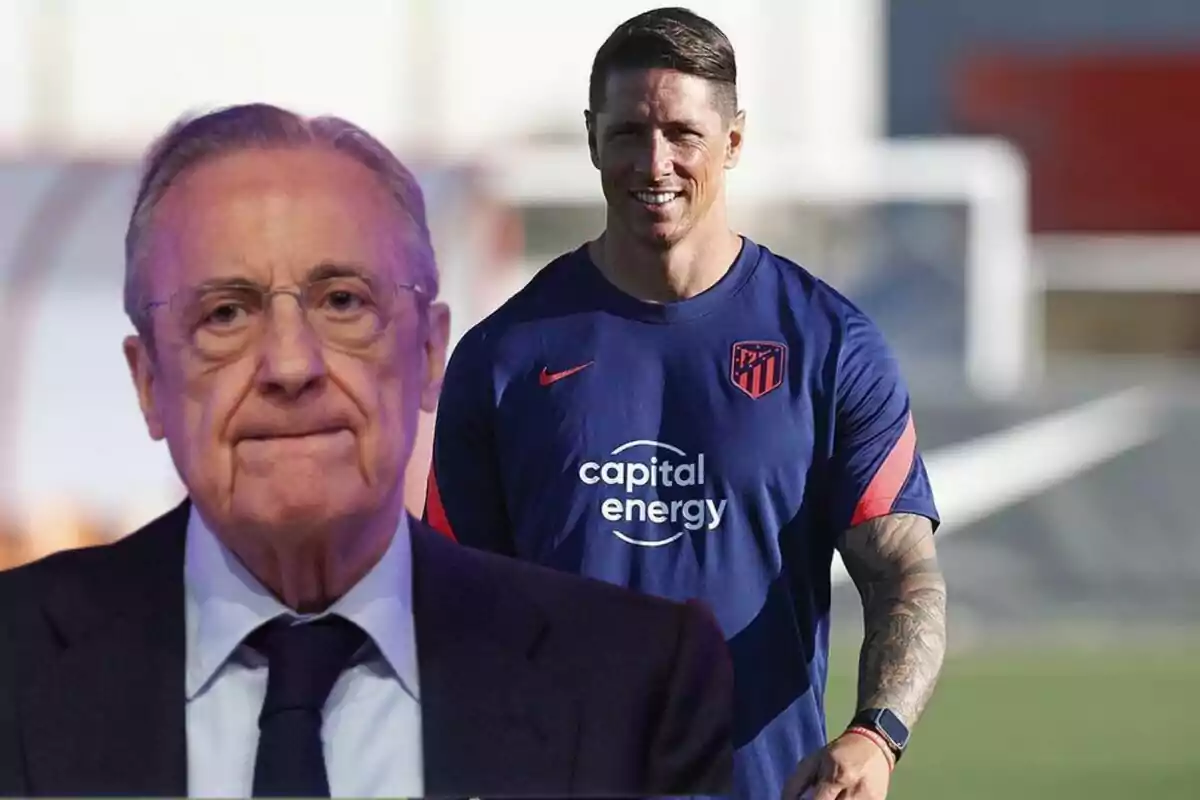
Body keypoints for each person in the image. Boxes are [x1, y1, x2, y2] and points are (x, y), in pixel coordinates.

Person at [0, 103, 734, 799]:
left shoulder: (635, 684)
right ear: (149, 380)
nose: (290, 365)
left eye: (343, 301)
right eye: (225, 313)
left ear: (430, 350)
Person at [425, 7, 948, 800]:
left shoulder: (830, 346)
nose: (655, 161)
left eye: (683, 133)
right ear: (593, 137)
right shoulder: (503, 357)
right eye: (629, 132)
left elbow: (906, 575)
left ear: (733, 141)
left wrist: (877, 735)